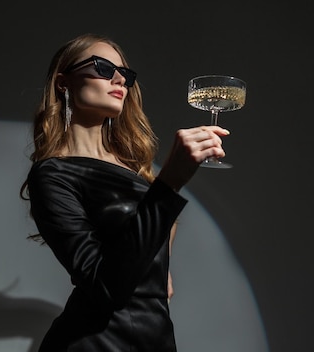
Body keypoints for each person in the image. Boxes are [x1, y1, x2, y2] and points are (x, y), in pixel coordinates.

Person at [20, 33, 230, 351]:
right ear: (64, 82)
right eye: (103, 68)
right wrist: (169, 182)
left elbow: (148, 231)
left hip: (155, 336)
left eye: (125, 74)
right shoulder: (53, 174)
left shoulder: (133, 169)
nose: (120, 78)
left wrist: (161, 264)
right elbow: (106, 289)